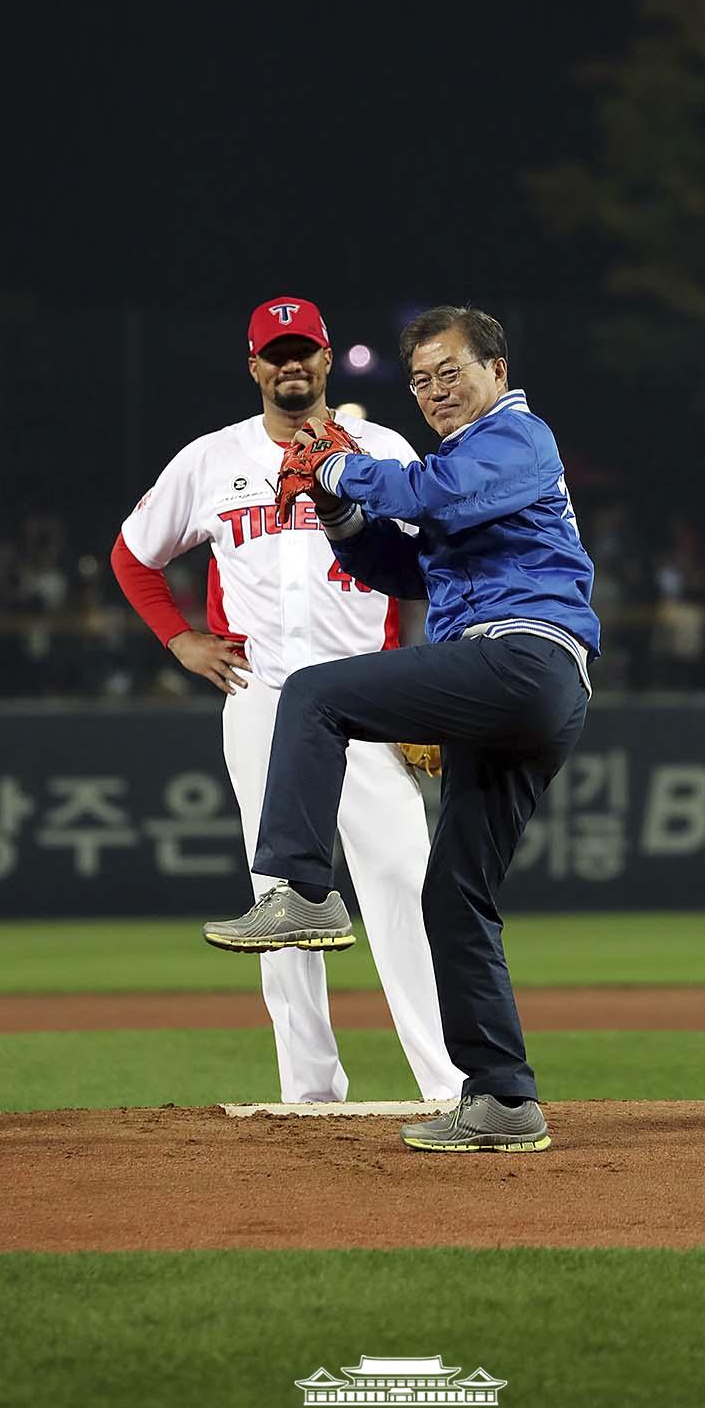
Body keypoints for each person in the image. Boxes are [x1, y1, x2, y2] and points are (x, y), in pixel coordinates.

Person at [201, 305, 600, 1153]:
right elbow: (404, 566)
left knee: (311, 695)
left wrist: (340, 467)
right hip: (518, 687)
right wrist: (336, 509)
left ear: (498, 369)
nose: (434, 391)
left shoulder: (517, 439)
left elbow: (431, 493)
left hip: (522, 658)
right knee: (454, 896)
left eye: (450, 371)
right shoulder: (468, 466)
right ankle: (501, 1097)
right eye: (420, 380)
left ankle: (300, 888)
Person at [110, 295, 464, 1105]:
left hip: (369, 696)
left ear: (328, 359)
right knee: (282, 902)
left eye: (304, 349)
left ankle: (448, 1084)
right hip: (263, 699)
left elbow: (436, 564)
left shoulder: (379, 448)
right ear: (255, 366)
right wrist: (179, 638)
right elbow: (134, 556)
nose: (290, 363)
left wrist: (430, 684)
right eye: (276, 352)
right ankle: (309, 1089)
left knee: (402, 881)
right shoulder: (209, 459)